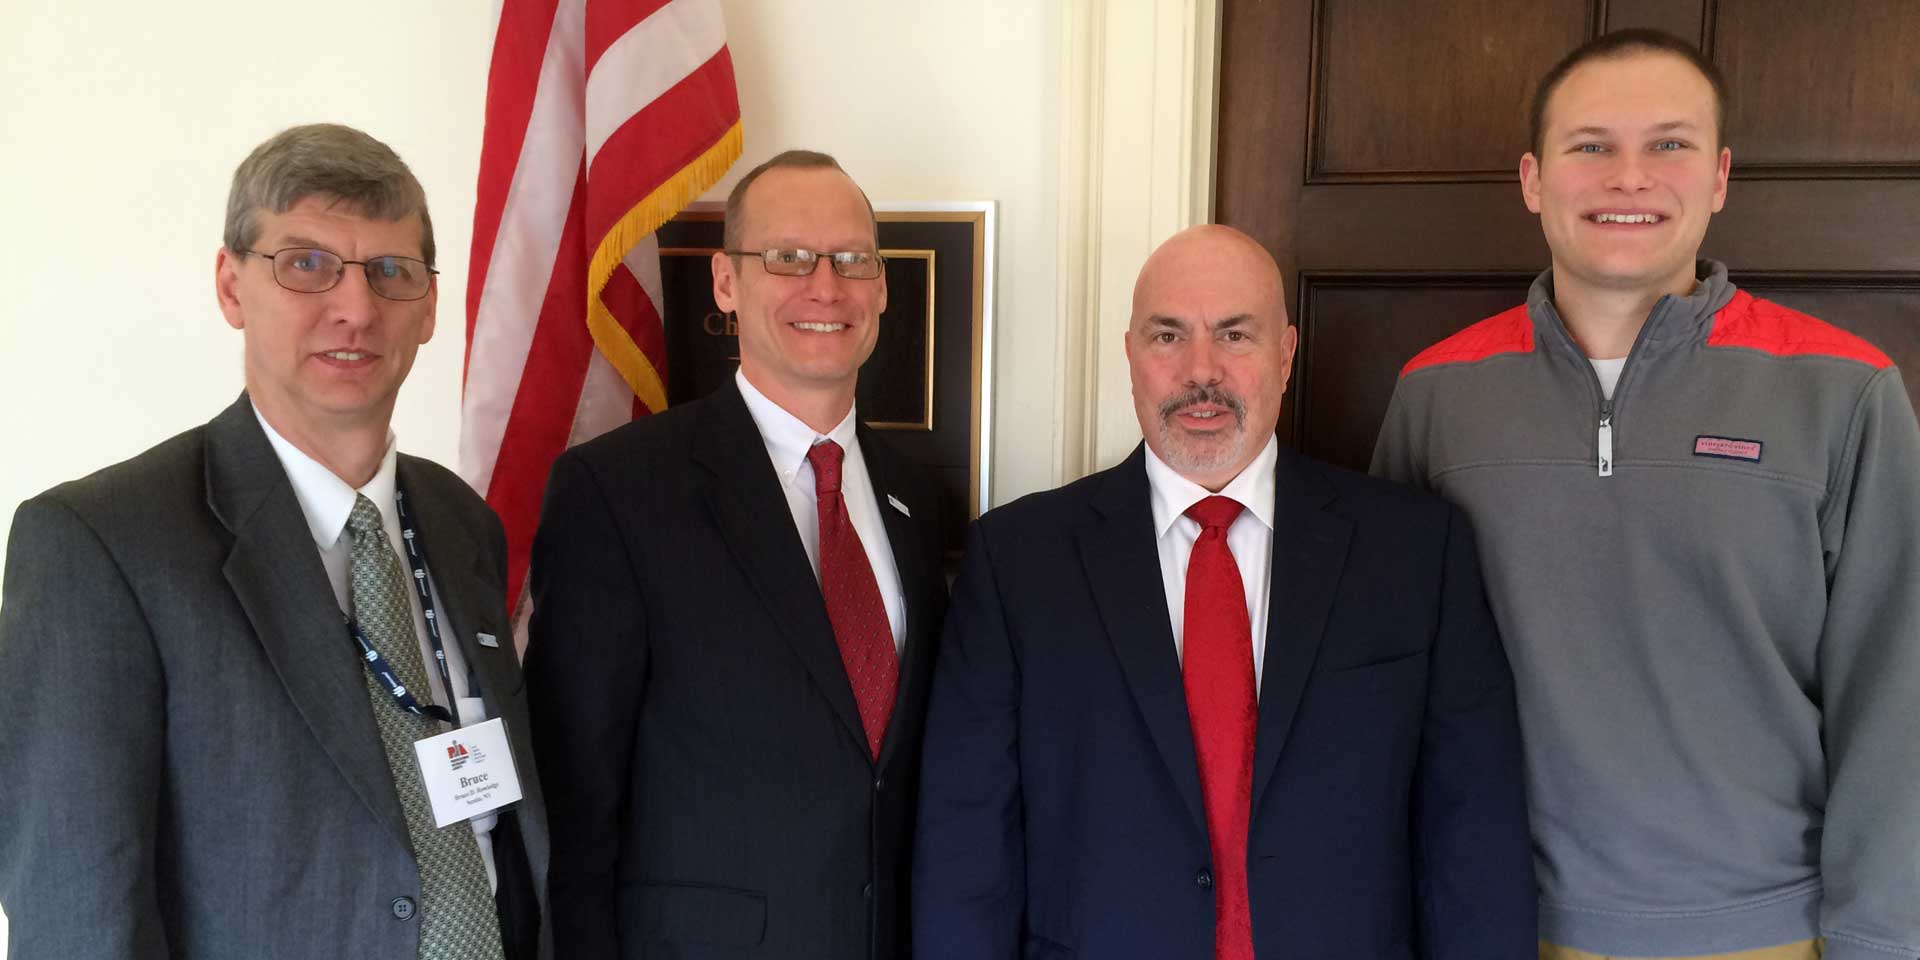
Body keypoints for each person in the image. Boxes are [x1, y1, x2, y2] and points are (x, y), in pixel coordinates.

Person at [1372, 29, 1920, 960]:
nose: (1630, 177)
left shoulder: (1843, 389)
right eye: (1591, 146)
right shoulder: (1437, 394)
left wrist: (1879, 938)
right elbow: (1382, 682)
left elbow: (1898, 691)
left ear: (1718, 178)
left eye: (1669, 144)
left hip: (1766, 934)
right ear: (1534, 179)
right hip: (1494, 923)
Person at [0, 123, 548, 959]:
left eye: (391, 272)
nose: (356, 308)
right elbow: (77, 917)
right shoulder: (99, 544)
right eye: (306, 264)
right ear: (230, 286)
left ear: (430, 305)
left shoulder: (461, 520)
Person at [914, 224, 1535, 959]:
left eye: (1235, 335)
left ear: (1285, 356)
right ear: (1131, 358)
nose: (1200, 371)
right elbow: (967, 843)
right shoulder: (1017, 560)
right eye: (1168, 337)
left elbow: (1474, 830)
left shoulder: (1415, 551)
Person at [525, 150, 950, 959]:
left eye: (854, 260)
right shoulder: (616, 491)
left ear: (883, 286)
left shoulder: (915, 499)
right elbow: (575, 800)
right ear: (726, 282)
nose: (825, 287)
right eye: (787, 258)